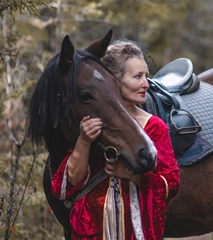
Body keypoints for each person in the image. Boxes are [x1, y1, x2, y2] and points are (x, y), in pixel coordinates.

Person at [51, 39, 180, 240]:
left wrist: (135, 177)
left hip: (135, 230)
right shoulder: (92, 120)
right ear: (113, 80)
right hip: (92, 229)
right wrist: (84, 140)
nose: (146, 84)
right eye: (137, 77)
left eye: (146, 75)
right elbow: (70, 182)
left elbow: (171, 183)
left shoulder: (155, 127)